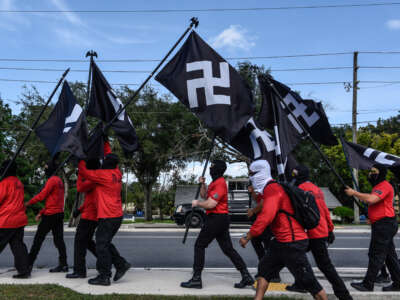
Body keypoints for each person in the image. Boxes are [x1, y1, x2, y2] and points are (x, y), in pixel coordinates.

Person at [239, 160, 327, 300]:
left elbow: (266, 216)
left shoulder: (273, 189)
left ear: (260, 173)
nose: (251, 178)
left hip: (292, 242)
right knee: (264, 270)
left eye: (252, 174)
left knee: (310, 283)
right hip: (280, 242)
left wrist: (247, 236)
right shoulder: (271, 188)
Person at [181, 160, 254, 289]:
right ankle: (246, 275)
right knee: (228, 249)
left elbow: (211, 204)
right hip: (220, 219)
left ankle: (196, 279)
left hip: (217, 218)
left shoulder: (220, 183)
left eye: (212, 166)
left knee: (199, 245)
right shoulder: (214, 183)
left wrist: (197, 203)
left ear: (217, 169)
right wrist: (203, 184)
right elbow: (205, 196)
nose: (210, 168)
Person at [287, 165, 352, 300]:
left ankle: (344, 295)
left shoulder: (299, 190)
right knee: (296, 257)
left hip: (309, 232)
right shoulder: (316, 189)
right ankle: (300, 283)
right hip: (320, 230)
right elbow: (324, 210)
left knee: (324, 265)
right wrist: (330, 229)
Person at [345, 164, 400, 292]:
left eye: (374, 171)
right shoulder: (377, 186)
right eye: (370, 171)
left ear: (381, 172)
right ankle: (398, 283)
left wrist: (354, 193)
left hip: (384, 225)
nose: (371, 174)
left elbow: (372, 199)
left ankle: (367, 284)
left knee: (376, 255)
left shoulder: (384, 185)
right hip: (383, 224)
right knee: (389, 256)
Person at [78, 153, 131, 286]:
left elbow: (84, 172)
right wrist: (105, 139)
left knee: (101, 246)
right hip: (116, 216)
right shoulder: (117, 173)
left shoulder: (103, 175)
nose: (103, 161)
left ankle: (104, 276)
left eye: (105, 160)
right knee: (105, 243)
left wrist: (80, 159)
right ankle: (121, 264)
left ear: (107, 163)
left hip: (108, 216)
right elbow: (111, 157)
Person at [26, 160, 68, 272]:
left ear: (50, 169)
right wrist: (41, 212)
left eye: (46, 167)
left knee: (38, 239)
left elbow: (42, 196)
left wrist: (28, 202)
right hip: (59, 213)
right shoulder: (59, 181)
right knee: (59, 240)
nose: (45, 170)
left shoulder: (52, 180)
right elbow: (54, 201)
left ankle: (28, 264)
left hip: (51, 215)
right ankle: (64, 264)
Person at [66, 158, 100, 279]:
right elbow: (89, 200)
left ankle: (79, 271)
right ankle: (107, 262)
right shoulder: (94, 179)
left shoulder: (94, 179)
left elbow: (80, 188)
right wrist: (79, 210)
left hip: (90, 217)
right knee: (88, 242)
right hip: (89, 215)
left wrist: (80, 173)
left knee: (79, 243)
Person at [0, 160, 30, 278]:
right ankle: (24, 270)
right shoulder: (18, 183)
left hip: (7, 219)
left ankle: (23, 270)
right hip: (19, 219)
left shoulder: (4, 183)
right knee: (18, 245)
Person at [247, 184, 280, 283]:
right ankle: (264, 270)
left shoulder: (264, 187)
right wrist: (252, 192)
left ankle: (274, 274)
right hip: (259, 222)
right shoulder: (257, 189)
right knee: (257, 244)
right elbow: (257, 200)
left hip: (267, 223)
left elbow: (263, 203)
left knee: (269, 249)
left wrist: (252, 211)